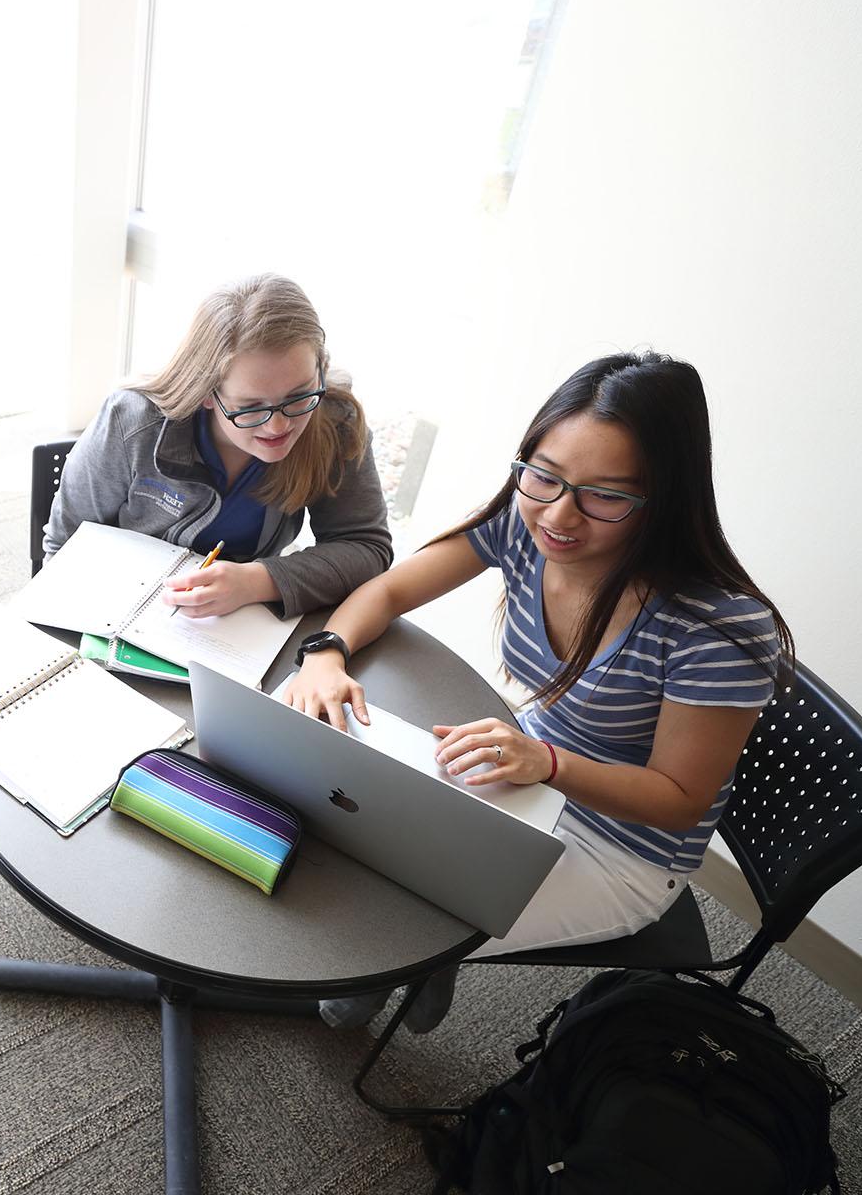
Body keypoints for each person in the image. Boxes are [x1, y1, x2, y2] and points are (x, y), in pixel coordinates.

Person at [283, 351, 792, 1030]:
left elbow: (679, 801)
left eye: (605, 495)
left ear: (664, 499)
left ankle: (414, 964)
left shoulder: (718, 630)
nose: (560, 514)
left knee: (396, 913)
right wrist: (327, 651)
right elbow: (391, 588)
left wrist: (546, 763)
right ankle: (417, 960)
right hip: (524, 770)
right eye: (543, 476)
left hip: (624, 850)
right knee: (354, 820)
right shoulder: (528, 527)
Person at [42, 274, 393, 619]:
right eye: (250, 407)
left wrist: (259, 580)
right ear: (206, 393)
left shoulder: (335, 422)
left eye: (300, 396)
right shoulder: (132, 421)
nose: (279, 426)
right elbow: (65, 546)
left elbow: (367, 547)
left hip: (238, 630)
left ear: (322, 368)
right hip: (120, 612)